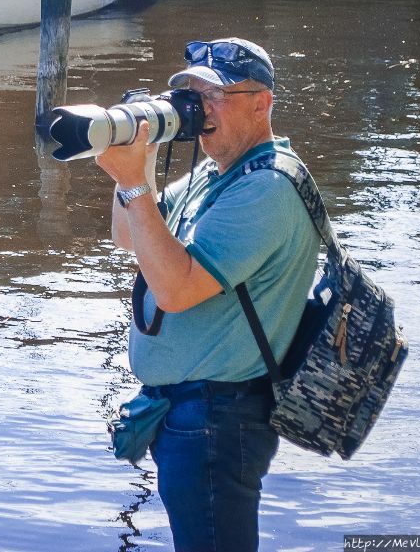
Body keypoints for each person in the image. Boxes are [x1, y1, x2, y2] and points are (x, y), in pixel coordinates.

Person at [94, 37, 319, 552]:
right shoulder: (215, 173)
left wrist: (134, 183)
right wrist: (138, 158)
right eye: (190, 95)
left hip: (219, 418)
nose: (198, 108)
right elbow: (129, 235)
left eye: (213, 95)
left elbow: (175, 290)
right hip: (191, 413)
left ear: (261, 103)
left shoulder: (266, 188)